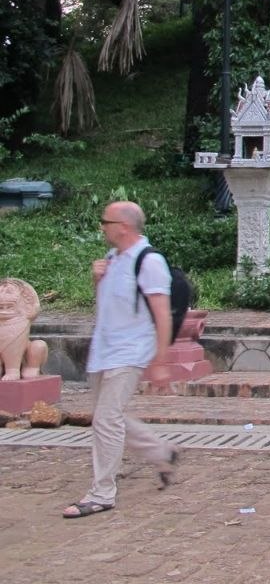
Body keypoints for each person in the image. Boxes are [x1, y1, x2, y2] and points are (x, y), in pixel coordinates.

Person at [63, 201, 179, 519]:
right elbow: (107, 305)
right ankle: (161, 451)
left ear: (123, 226)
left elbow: (162, 313)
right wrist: (97, 280)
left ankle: (102, 492)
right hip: (104, 350)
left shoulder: (150, 261)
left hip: (130, 352)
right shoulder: (113, 258)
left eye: (106, 221)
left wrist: (160, 361)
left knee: (106, 419)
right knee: (108, 417)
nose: (102, 226)